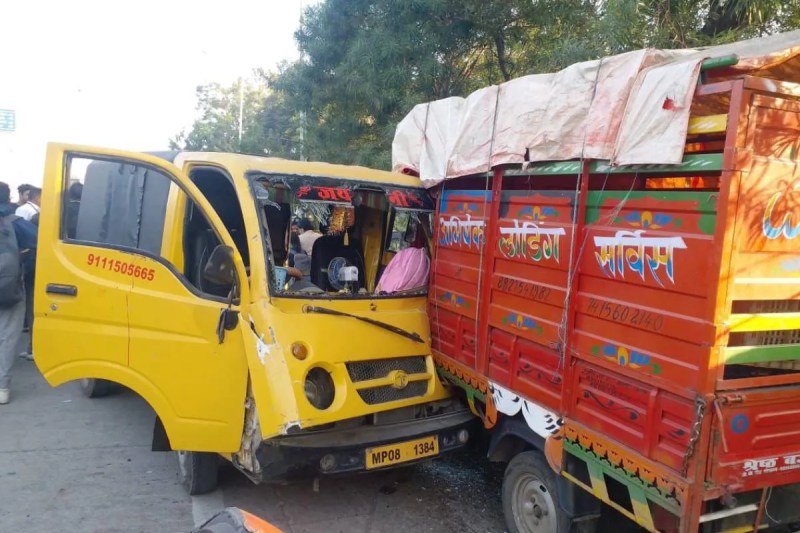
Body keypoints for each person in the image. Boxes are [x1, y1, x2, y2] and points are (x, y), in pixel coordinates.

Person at [0, 181, 38, 405]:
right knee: (8, 337)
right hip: (10, 286)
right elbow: (39, 243)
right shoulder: (16, 222)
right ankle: (2, 387)